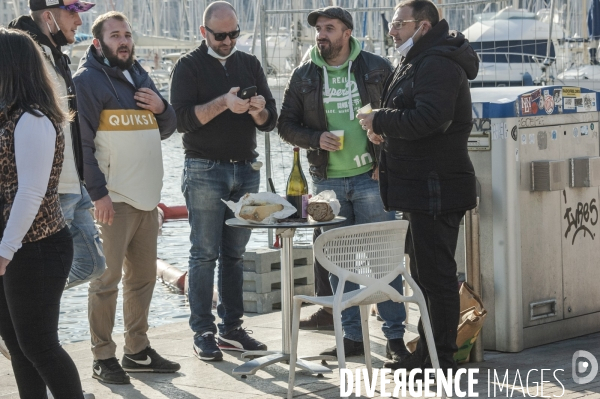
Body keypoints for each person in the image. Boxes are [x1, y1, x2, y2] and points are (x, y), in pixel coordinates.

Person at [277, 6, 409, 362]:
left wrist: (387, 158)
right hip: (326, 184)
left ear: (347, 32)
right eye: (319, 28)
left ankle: (395, 338)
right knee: (339, 264)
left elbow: (402, 116)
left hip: (371, 177)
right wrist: (315, 138)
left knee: (385, 262)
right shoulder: (303, 74)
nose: (321, 34)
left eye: (329, 28)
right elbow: (285, 125)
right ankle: (352, 338)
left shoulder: (378, 67)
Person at [358, 0, 479, 372]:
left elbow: (431, 118)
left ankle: (441, 360)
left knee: (437, 277)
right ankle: (427, 354)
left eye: (398, 23)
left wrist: (380, 118)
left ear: (423, 26)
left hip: (436, 188)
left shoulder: (438, 62)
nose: (391, 30)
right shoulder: (418, 59)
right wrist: (383, 133)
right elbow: (415, 119)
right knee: (426, 277)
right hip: (420, 187)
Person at [73, 11, 180, 384]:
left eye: (128, 34)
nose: (124, 41)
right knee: (105, 282)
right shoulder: (86, 82)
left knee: (142, 280)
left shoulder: (139, 74)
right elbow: (81, 145)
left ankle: (137, 350)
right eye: (115, 35)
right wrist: (97, 195)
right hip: (112, 201)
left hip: (147, 200)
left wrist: (162, 108)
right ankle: (103, 357)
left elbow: (168, 127)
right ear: (98, 42)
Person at [170, 1, 277, 362]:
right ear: (204, 33)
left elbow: (270, 120)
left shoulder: (250, 64)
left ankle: (232, 329)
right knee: (204, 254)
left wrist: (259, 109)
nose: (228, 40)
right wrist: (224, 104)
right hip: (204, 169)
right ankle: (203, 331)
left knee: (234, 254)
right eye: (220, 35)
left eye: (234, 34)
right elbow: (181, 120)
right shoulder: (187, 66)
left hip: (246, 169)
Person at [0, 27, 85, 399]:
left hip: (36, 248)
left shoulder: (32, 119)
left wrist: (5, 251)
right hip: (16, 246)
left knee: (40, 346)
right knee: (19, 346)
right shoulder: (8, 115)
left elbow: (30, 192)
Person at [9, 0, 106, 291]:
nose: (79, 21)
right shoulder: (20, 56)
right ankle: (23, 308)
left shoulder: (56, 55)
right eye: (73, 13)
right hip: (46, 191)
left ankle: (23, 301)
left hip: (73, 185)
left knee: (93, 264)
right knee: (41, 274)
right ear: (49, 16)